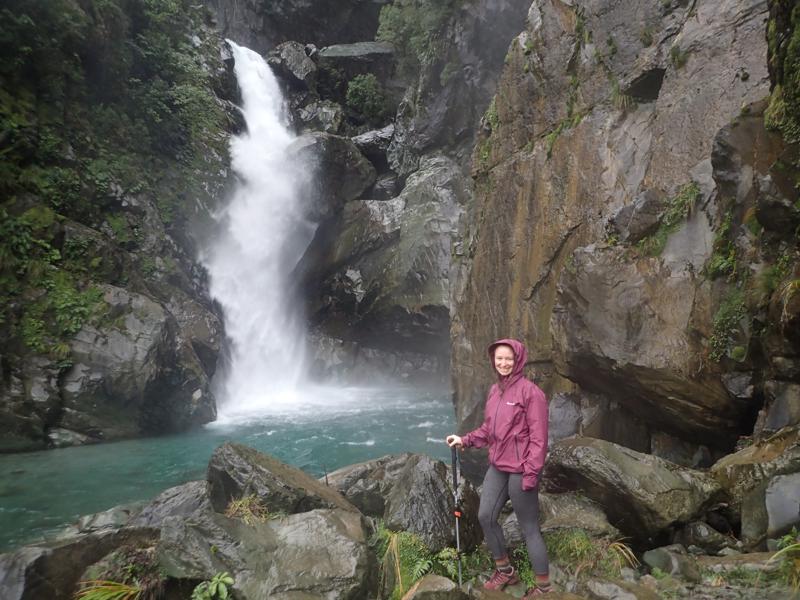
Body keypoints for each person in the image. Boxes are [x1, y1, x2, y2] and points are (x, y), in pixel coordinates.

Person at [446, 338, 551, 597]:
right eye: (499, 358)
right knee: (485, 516)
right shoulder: (495, 391)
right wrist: (465, 440)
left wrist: (531, 473)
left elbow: (539, 439)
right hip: (498, 465)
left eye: (509, 358)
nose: (503, 363)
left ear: (518, 361)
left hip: (520, 469)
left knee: (529, 527)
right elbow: (489, 430)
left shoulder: (531, 393)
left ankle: (543, 588)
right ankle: (505, 571)